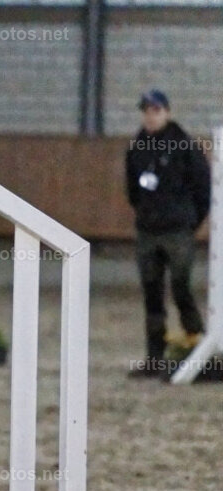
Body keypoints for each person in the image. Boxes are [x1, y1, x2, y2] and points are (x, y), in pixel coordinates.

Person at [125, 89, 210, 376]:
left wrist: (190, 221)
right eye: (146, 111)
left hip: (177, 231)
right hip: (148, 230)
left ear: (167, 112)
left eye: (156, 111)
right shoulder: (137, 147)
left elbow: (203, 187)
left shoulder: (185, 146)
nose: (151, 116)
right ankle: (155, 358)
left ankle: (198, 348)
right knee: (152, 294)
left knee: (181, 288)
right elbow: (133, 190)